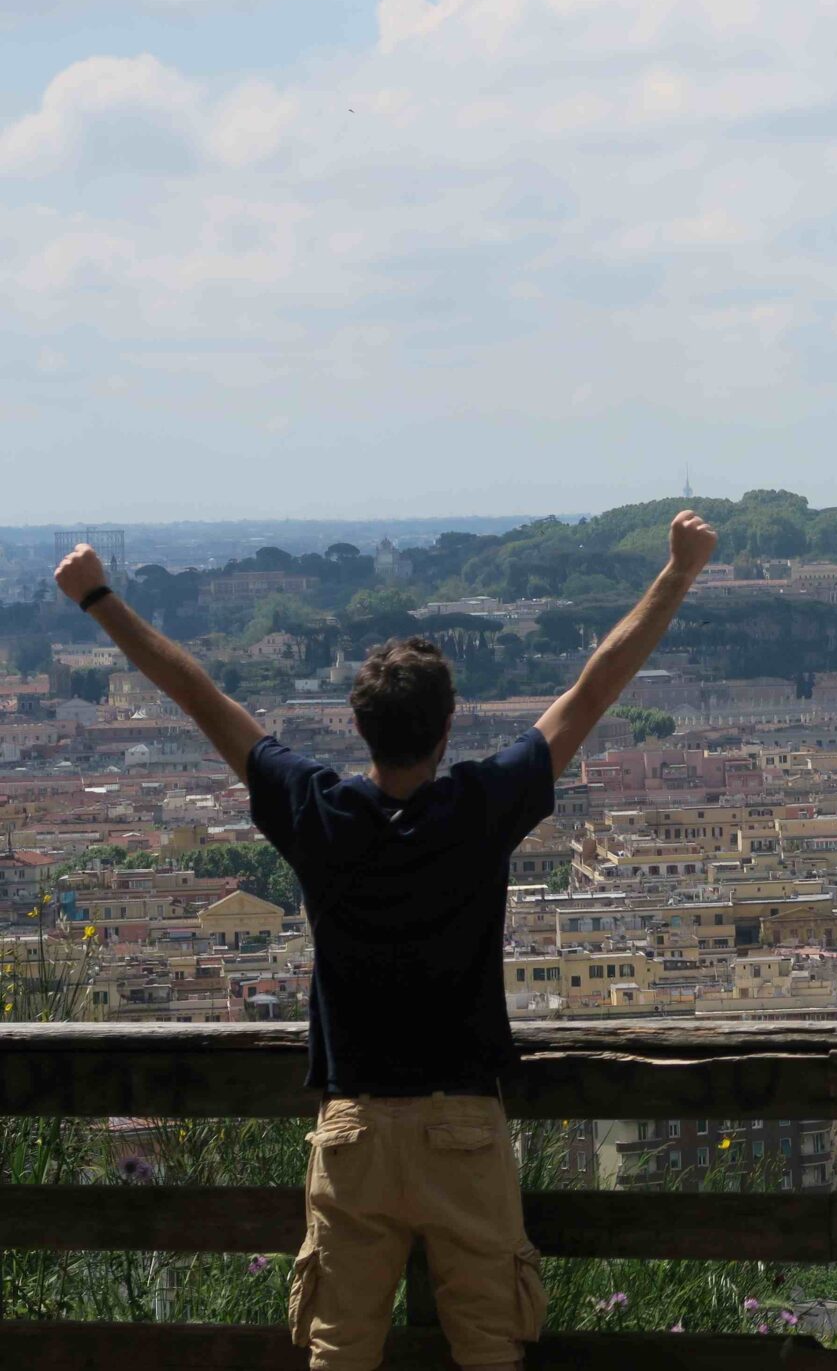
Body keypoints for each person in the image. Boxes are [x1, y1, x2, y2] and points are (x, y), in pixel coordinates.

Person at [53, 510, 720, 1371]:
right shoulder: (482, 806)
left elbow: (201, 697)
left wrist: (99, 596)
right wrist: (678, 569)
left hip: (355, 1129)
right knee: (491, 1352)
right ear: (447, 730)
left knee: (339, 1355)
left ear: (361, 728)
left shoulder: (319, 812)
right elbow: (594, 688)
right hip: (464, 1128)